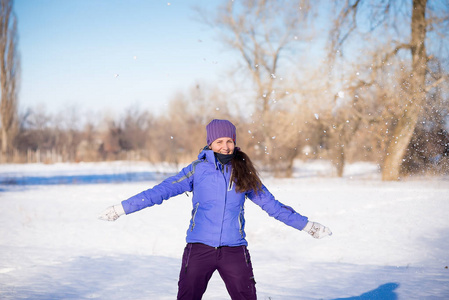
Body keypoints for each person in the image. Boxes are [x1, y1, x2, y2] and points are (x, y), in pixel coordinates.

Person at [99, 119, 332, 300]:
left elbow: (273, 206)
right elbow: (159, 192)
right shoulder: (197, 170)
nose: (225, 146)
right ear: (210, 143)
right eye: (219, 141)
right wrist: (121, 208)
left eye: (229, 141)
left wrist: (308, 226)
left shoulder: (243, 172)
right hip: (199, 249)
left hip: (234, 251)